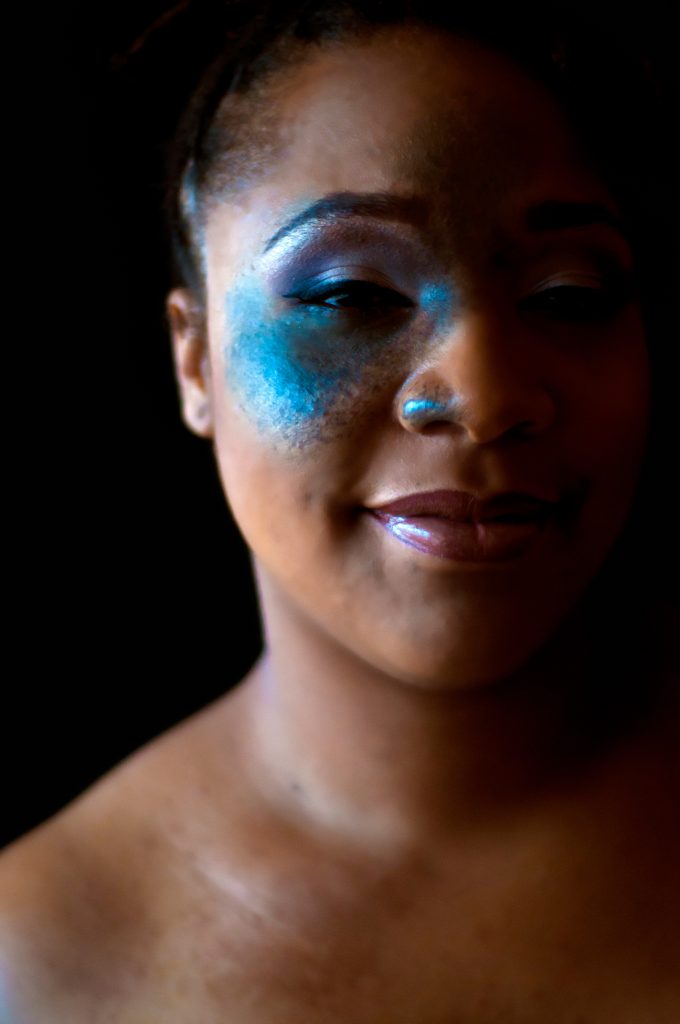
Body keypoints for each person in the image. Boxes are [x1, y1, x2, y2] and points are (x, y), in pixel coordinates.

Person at [2, 1, 678, 1020]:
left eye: (568, 294)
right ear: (194, 361)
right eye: (351, 294)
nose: (485, 392)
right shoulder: (42, 966)